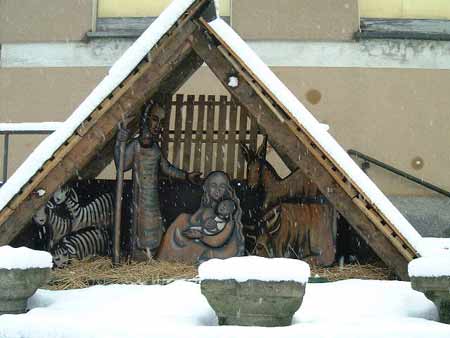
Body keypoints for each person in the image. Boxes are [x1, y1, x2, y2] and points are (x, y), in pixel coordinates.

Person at [115, 102, 201, 261]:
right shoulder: (135, 145)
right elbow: (121, 164)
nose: (158, 125)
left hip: (152, 198)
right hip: (139, 199)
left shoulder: (155, 148)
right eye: (155, 119)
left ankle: (153, 258)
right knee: (141, 228)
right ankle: (139, 259)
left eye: (161, 122)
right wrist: (121, 137)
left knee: (154, 227)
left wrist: (187, 176)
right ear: (146, 119)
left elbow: (167, 168)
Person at [157, 171, 245, 264]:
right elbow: (193, 220)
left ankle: (177, 263)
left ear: (227, 189)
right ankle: (161, 261)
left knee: (194, 246)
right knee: (182, 219)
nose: (218, 190)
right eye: (213, 185)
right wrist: (195, 226)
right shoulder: (207, 208)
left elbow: (218, 240)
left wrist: (201, 236)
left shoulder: (229, 217)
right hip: (201, 238)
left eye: (222, 186)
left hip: (218, 250)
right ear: (206, 187)